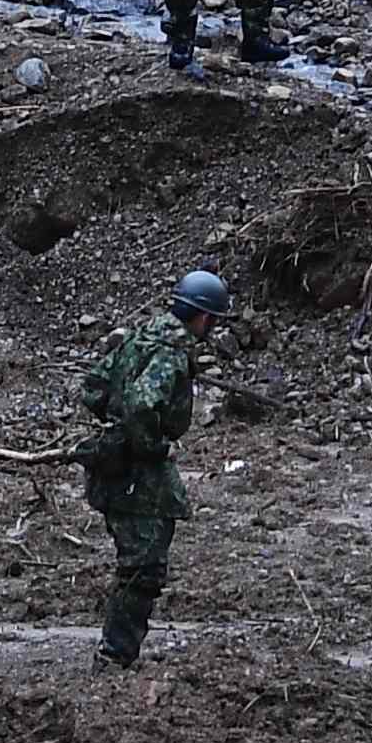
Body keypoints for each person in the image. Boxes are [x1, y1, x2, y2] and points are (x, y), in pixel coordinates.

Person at [81, 267, 227, 667]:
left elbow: (93, 386)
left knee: (138, 559)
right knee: (144, 565)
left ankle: (116, 653)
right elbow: (144, 404)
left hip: (114, 464)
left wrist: (113, 425)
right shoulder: (170, 352)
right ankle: (115, 657)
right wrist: (155, 447)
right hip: (138, 472)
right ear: (205, 317)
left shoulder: (140, 338)